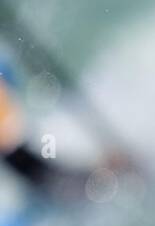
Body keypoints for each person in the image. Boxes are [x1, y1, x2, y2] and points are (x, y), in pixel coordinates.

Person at [0, 57, 126, 201]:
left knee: (81, 187)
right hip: (20, 148)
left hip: (21, 146)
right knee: (79, 187)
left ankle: (113, 169)